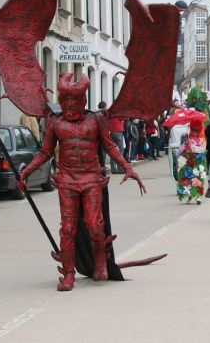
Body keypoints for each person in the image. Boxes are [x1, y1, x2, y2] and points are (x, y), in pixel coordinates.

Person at [17, 73, 145, 291]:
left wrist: (128, 167)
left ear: (83, 101)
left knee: (95, 225)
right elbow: (45, 152)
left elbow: (110, 146)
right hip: (67, 179)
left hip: (91, 178)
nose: (68, 105)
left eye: (73, 101)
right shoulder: (56, 122)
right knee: (67, 228)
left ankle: (100, 259)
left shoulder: (96, 120)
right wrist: (26, 172)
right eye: (64, 101)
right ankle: (68, 273)